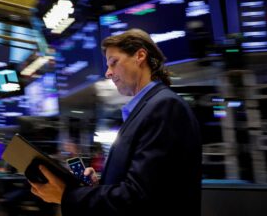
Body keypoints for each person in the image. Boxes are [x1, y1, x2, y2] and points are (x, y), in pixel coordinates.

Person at [30, 28, 202, 216]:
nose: (108, 73)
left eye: (114, 62)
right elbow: (141, 184)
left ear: (140, 56)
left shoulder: (164, 107)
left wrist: (68, 195)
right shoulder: (146, 108)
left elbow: (138, 198)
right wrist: (98, 186)